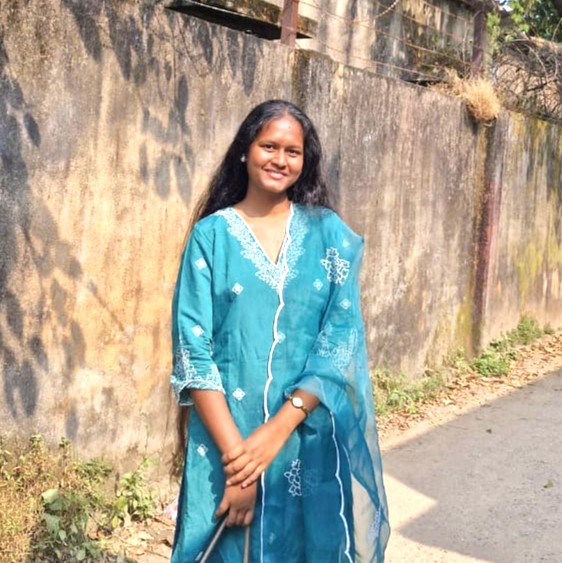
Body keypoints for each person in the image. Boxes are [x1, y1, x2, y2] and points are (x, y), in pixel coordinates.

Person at [170, 99, 389, 562]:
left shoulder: (328, 235)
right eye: (269, 146)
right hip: (226, 444)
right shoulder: (211, 236)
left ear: (305, 161)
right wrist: (242, 467)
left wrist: (275, 434)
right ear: (244, 151)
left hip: (305, 442)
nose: (280, 159)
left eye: (293, 151)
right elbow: (194, 352)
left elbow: (338, 339)